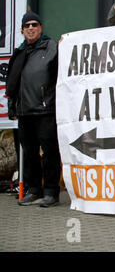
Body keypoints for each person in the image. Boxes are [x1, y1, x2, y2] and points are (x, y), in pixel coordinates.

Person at [5, 11, 61, 207]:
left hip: (46, 111)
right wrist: (12, 106)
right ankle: (34, 190)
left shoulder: (53, 47)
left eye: (34, 25)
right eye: (27, 25)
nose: (31, 28)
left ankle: (52, 193)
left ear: (40, 28)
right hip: (24, 112)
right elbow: (13, 82)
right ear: (22, 30)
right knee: (29, 154)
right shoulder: (19, 52)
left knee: (50, 153)